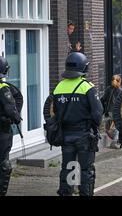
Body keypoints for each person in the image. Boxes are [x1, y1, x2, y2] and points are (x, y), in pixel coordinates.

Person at [44, 52, 103, 196]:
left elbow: (52, 110)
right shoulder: (87, 87)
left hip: (66, 135)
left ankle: (66, 193)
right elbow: (98, 112)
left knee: (68, 167)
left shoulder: (59, 87)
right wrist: (95, 127)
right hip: (84, 135)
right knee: (86, 170)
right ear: (84, 67)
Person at [0, 57, 22, 196]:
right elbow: (10, 109)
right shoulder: (3, 88)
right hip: (2, 131)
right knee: (3, 164)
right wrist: (16, 118)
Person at [101, 75, 122, 148]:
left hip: (109, 110)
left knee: (112, 123)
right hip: (116, 111)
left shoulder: (108, 89)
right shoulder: (120, 91)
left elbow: (103, 99)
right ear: (119, 82)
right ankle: (114, 141)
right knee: (117, 126)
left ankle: (108, 129)